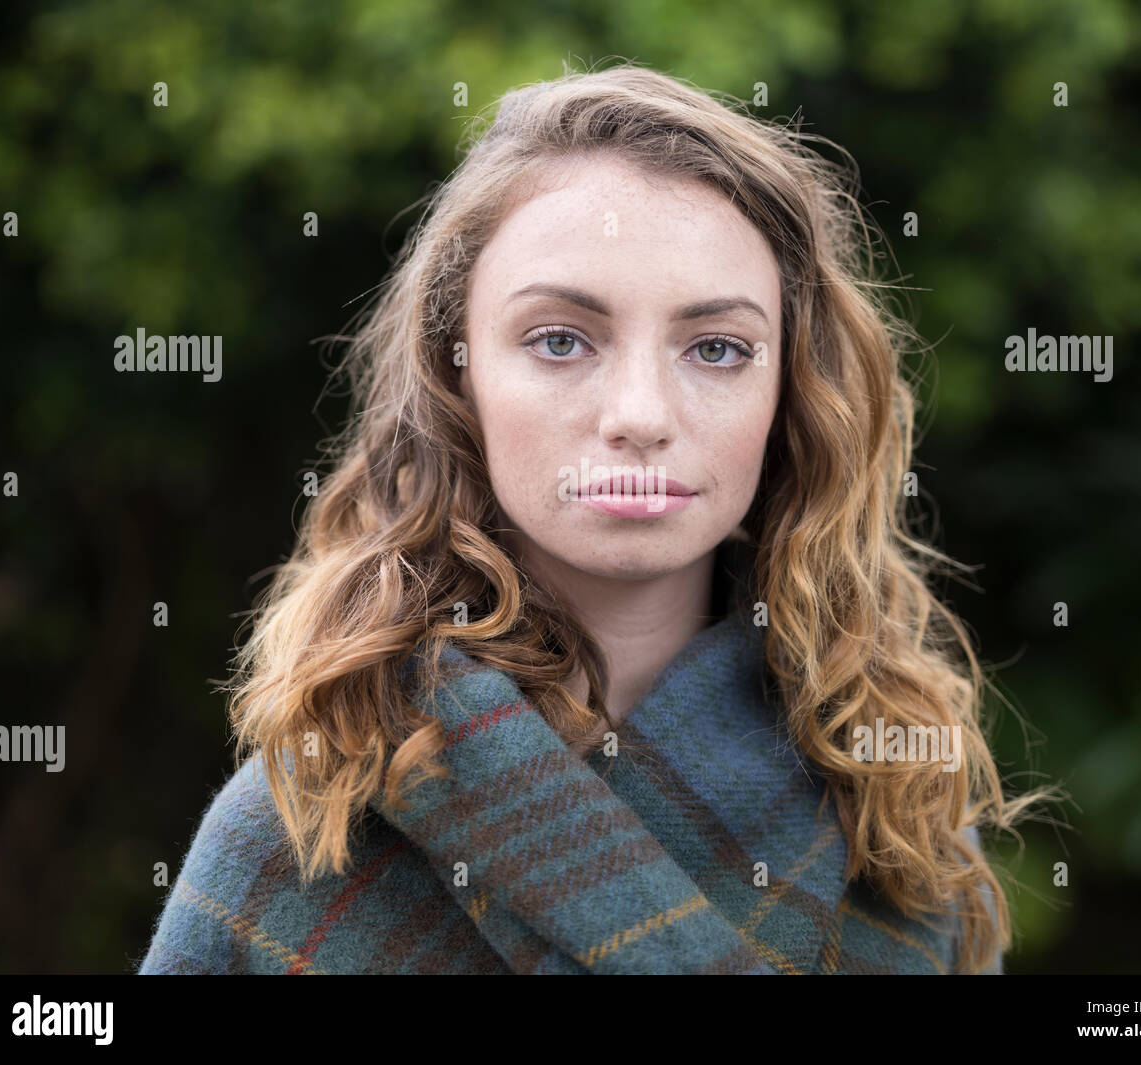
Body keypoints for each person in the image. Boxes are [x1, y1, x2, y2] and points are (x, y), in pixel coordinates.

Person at [138, 61, 1055, 975]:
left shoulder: (896, 814)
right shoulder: (303, 830)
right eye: (561, 340)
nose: (641, 414)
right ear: (458, 372)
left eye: (718, 348)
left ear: (791, 393)